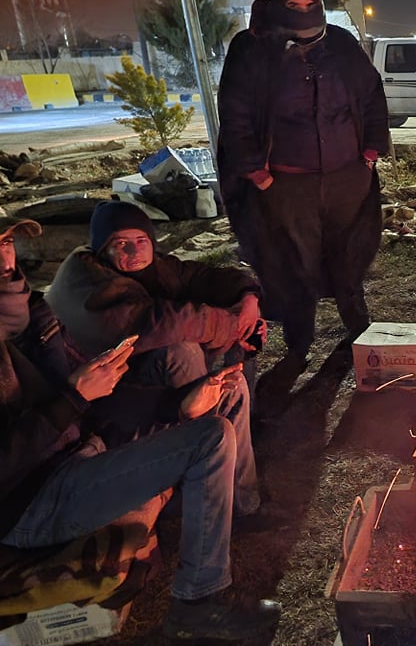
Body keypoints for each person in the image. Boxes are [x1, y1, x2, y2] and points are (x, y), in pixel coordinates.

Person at [0, 216, 281, 641]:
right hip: (32, 503)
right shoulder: (78, 291)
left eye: (5, 241)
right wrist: (75, 398)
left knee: (229, 388)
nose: (6, 257)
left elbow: (89, 406)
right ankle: (199, 601)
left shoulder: (28, 312)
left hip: (81, 446)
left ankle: (238, 510)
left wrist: (177, 405)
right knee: (210, 438)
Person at [217, 0, 389, 387]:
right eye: (294, 5)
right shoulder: (251, 50)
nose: (303, 12)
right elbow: (237, 115)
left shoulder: (342, 45)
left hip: (347, 178)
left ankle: (358, 328)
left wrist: (368, 153)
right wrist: (258, 175)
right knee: (295, 263)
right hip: (287, 184)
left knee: (348, 254)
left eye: (311, 5)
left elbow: (371, 95)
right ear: (277, 4)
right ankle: (299, 344)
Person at [45, 200, 262, 515]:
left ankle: (240, 491)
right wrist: (232, 325)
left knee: (233, 355)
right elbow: (157, 323)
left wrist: (247, 297)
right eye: (122, 244)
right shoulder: (89, 285)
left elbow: (197, 276)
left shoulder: (144, 266)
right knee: (182, 350)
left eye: (141, 241)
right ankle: (206, 462)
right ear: (102, 248)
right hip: (99, 404)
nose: (134, 252)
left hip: (129, 375)